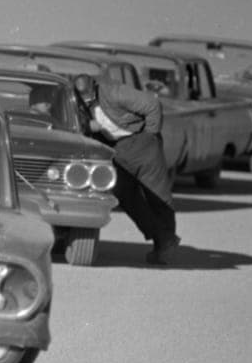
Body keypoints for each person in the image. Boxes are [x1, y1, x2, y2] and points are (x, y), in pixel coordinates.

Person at [72, 73, 179, 264]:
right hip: (117, 149)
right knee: (123, 193)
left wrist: (150, 136)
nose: (86, 100)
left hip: (142, 142)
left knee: (158, 195)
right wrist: (88, 125)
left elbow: (152, 105)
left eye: (89, 96)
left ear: (93, 87)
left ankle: (164, 247)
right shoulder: (77, 101)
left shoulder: (115, 92)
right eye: (83, 97)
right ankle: (162, 238)